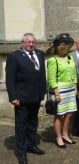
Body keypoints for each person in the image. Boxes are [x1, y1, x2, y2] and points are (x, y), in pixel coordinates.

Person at [6, 33, 46, 164]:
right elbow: (10, 79)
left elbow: (42, 75)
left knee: (33, 123)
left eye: (33, 42)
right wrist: (13, 96)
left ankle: (31, 144)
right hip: (21, 97)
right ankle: (21, 152)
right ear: (23, 42)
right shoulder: (14, 56)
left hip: (36, 96)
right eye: (28, 42)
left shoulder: (40, 54)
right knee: (21, 125)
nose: (31, 44)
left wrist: (43, 92)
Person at [46, 33, 78, 148]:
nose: (63, 47)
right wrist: (56, 92)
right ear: (56, 47)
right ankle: (59, 137)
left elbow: (74, 73)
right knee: (59, 115)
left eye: (65, 45)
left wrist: (75, 86)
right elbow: (51, 78)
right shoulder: (53, 60)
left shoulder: (70, 57)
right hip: (59, 90)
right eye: (60, 45)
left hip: (70, 89)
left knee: (69, 114)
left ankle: (65, 134)